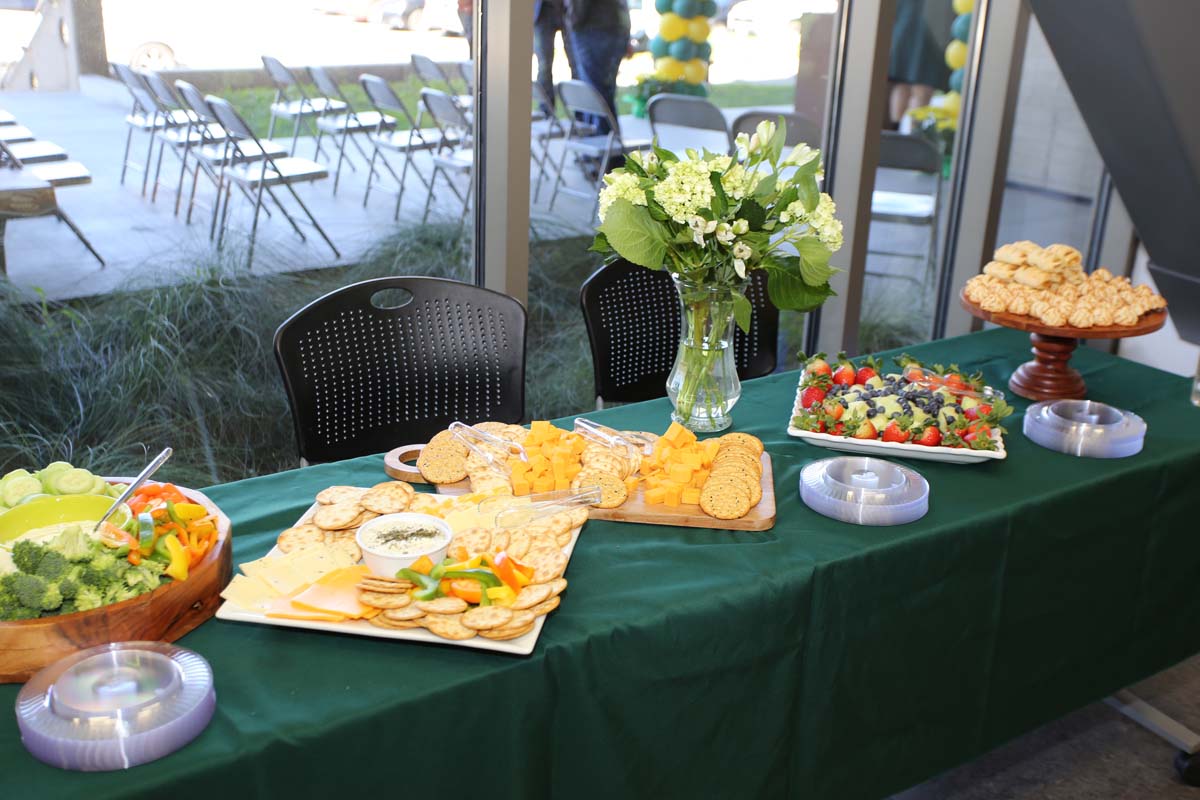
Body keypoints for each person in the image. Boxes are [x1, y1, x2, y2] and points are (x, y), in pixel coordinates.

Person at [563, 0, 631, 135]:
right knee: (602, 91)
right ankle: (609, 147)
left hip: (594, 28)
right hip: (611, 26)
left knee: (595, 92)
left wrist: (572, 21)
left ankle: (604, 147)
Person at [886, 0, 951, 128]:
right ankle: (908, 135)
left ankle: (901, 135)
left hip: (913, 21)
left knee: (907, 83)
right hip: (926, 23)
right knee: (919, 86)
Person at [534, 0, 576, 117]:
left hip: (567, 9)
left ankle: (581, 113)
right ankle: (546, 111)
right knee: (544, 66)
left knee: (576, 63)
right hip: (543, 11)